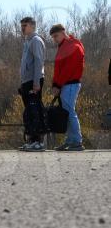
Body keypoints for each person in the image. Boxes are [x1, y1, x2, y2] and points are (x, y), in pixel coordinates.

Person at [50, 24, 85, 151]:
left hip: (70, 83)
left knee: (69, 112)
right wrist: (55, 84)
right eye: (53, 37)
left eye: (56, 36)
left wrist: (57, 84)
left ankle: (76, 141)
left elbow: (67, 69)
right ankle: (71, 140)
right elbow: (59, 69)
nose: (54, 39)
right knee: (67, 112)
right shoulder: (65, 46)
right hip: (66, 84)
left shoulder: (72, 46)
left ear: (63, 32)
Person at [18, 17, 46, 152]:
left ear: (33, 26)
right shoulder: (27, 42)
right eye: (22, 25)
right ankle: (32, 140)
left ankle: (38, 142)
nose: (23, 28)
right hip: (26, 82)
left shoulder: (35, 40)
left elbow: (39, 62)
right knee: (29, 112)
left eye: (25, 25)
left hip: (34, 81)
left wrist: (36, 82)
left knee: (35, 111)